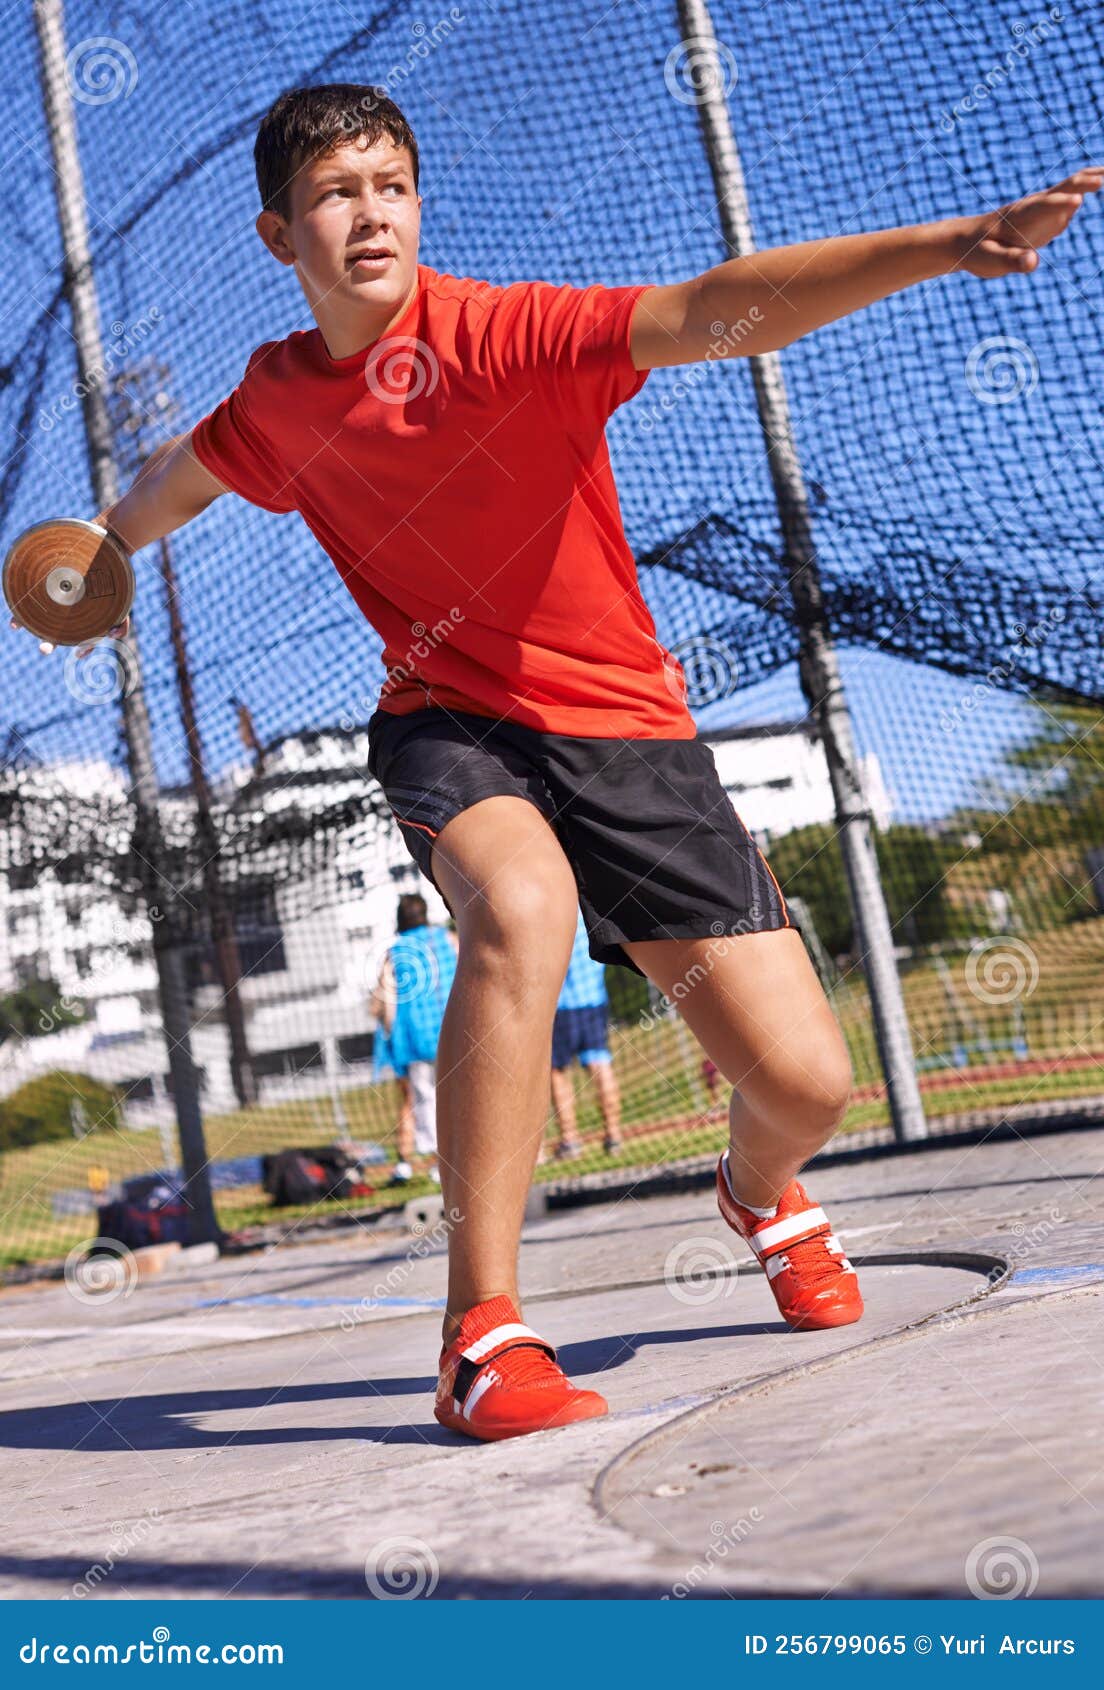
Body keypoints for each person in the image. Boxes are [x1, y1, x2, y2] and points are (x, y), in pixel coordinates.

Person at [17, 80, 1097, 1441]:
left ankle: (760, 1193)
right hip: (450, 723)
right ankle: (482, 1333)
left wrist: (947, 244)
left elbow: (715, 308)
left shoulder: (507, 332)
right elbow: (192, 471)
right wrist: (108, 543)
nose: (371, 214)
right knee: (521, 910)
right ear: (277, 234)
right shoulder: (282, 397)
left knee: (807, 1083)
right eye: (338, 195)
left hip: (630, 736)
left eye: (392, 186)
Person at [376, 893, 456, 1180]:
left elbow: (387, 1000)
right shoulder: (446, 938)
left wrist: (388, 1033)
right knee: (457, 1095)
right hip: (452, 1029)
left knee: (425, 1099)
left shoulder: (396, 951)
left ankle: (440, 1162)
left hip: (415, 1038)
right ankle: (457, 1157)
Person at [548, 907, 621, 1160]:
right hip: (593, 1001)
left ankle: (570, 1140)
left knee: (557, 1072)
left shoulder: (549, 912)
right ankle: (613, 1135)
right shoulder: (588, 911)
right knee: (601, 1065)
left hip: (561, 1007)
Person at [367, 952, 416, 1183]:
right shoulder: (440, 944)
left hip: (404, 1045)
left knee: (408, 1103)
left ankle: (405, 1164)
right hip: (417, 1043)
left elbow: (377, 1006)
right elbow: (378, 1004)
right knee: (415, 1102)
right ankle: (410, 1163)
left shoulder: (393, 957)